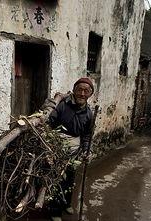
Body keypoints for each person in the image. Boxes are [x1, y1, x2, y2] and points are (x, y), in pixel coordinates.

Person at [44, 77, 94, 221]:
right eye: (80, 90)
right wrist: (50, 146)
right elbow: (49, 124)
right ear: (74, 90)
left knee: (70, 179)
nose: (82, 94)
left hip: (74, 152)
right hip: (57, 149)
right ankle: (55, 211)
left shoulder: (88, 113)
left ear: (90, 94)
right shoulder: (62, 105)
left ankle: (66, 204)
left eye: (86, 91)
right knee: (57, 180)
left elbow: (86, 135)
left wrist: (86, 150)